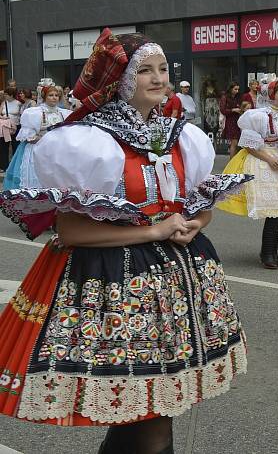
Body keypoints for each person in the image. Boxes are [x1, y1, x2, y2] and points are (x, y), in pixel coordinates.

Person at [0, 29, 248, 453]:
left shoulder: (182, 136)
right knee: (146, 417)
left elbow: (198, 203)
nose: (158, 78)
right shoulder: (90, 142)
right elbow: (71, 231)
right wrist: (154, 230)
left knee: (148, 411)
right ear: (118, 80)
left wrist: (195, 223)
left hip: (176, 290)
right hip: (117, 288)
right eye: (144, 70)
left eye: (163, 69)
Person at [218, 80, 278, 268]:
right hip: (264, 163)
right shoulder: (259, 116)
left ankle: (271, 252)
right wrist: (268, 158)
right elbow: (249, 146)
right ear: (271, 95)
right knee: (271, 210)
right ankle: (267, 253)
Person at [3, 85, 72, 190]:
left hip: (58, 151)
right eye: (51, 95)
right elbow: (29, 137)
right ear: (44, 97)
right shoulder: (34, 113)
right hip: (38, 150)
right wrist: (45, 139)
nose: (54, 98)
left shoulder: (64, 113)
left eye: (56, 95)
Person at [221, 81, 248, 158]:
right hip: (230, 121)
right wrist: (233, 110)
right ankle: (231, 162)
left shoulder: (238, 97)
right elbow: (223, 110)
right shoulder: (225, 97)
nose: (237, 91)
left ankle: (235, 161)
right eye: (235, 89)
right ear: (230, 89)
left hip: (238, 119)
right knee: (234, 142)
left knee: (238, 142)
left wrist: (241, 109)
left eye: (238, 89)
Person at [0, 91, 22, 174]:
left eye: (6, 94)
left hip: (16, 127)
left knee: (15, 146)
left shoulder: (18, 103)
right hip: (5, 127)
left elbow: (21, 114)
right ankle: (3, 166)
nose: (5, 96)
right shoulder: (3, 103)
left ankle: (14, 166)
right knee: (3, 147)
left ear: (11, 95)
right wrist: (3, 117)